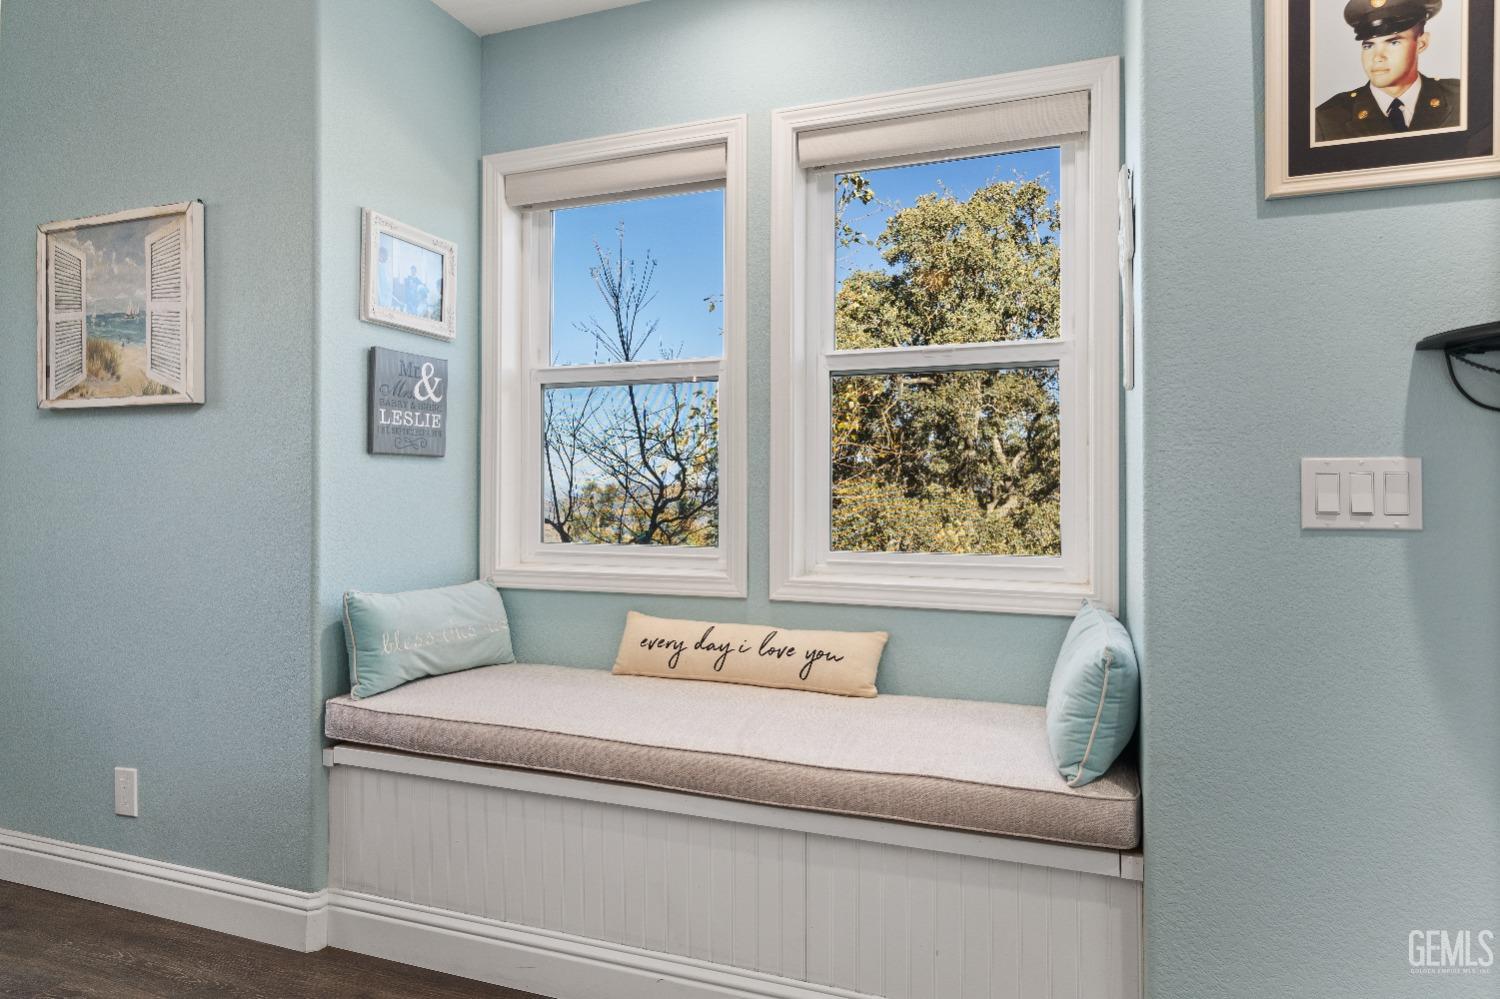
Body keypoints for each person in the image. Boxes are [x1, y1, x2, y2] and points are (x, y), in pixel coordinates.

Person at [1315, 0, 1461, 142]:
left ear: (1421, 44)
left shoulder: (1460, 97)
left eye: (1393, 42)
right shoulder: (1327, 119)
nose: (1377, 57)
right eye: (1368, 46)